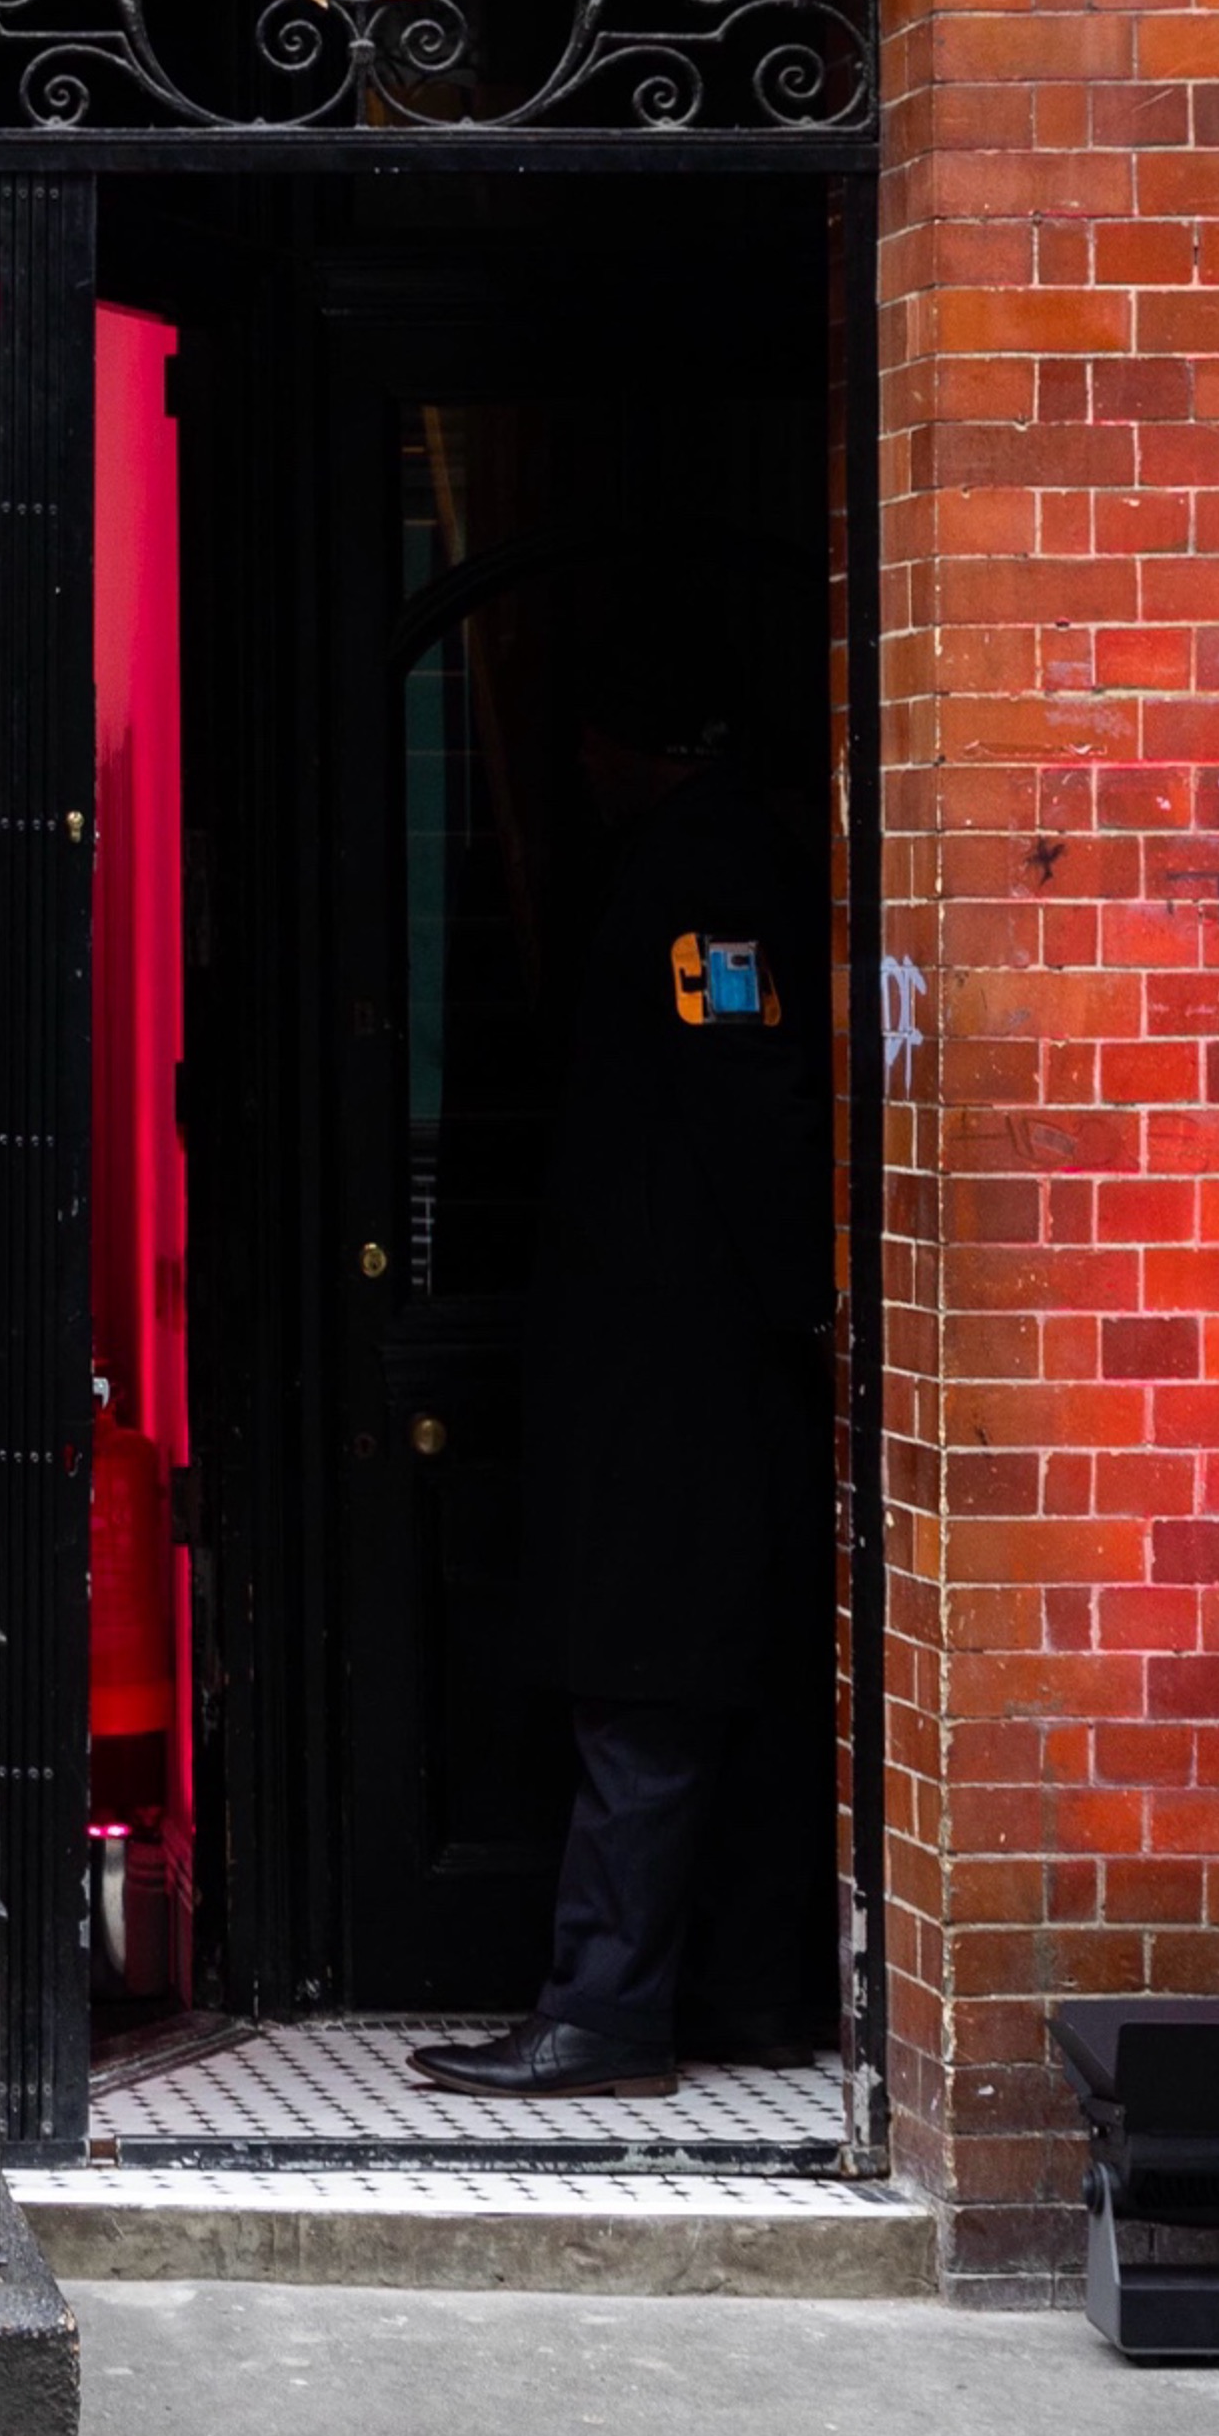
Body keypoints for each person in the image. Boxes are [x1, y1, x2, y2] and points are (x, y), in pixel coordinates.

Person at [417, 602, 831, 2102]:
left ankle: (605, 2004)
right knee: (702, 1682)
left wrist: (798, 1302)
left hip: (682, 1375)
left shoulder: (702, 877)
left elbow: (744, 1094)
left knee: (648, 1685)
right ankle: (745, 1993)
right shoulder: (709, 857)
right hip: (688, 1367)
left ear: (633, 745)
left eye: (595, 738)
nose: (581, 765)